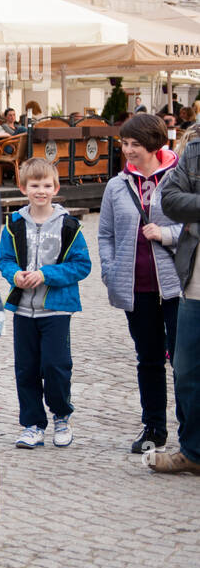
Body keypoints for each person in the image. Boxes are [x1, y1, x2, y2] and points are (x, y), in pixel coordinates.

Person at [98, 113, 182, 453]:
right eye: (125, 143)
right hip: (136, 287)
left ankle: (191, 432)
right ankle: (153, 429)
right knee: (148, 359)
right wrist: (110, 268)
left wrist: (165, 234)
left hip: (177, 285)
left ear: (152, 145)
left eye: (134, 144)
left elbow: (193, 226)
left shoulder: (179, 179)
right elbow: (105, 234)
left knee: (184, 362)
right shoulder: (117, 185)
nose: (127, 150)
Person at [0, 158, 92, 449]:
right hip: (24, 309)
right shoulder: (13, 225)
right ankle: (32, 424)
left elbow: (82, 265)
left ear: (56, 187)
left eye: (47, 185)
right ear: (24, 188)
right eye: (35, 185)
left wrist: (45, 274)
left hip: (57, 309)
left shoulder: (69, 225)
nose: (41, 191)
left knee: (55, 365)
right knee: (25, 369)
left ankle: (62, 415)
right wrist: (15, 275)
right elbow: (4, 260)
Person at [155, 123, 200, 473]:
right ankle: (193, 451)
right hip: (195, 286)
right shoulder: (196, 151)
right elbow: (168, 198)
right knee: (186, 370)